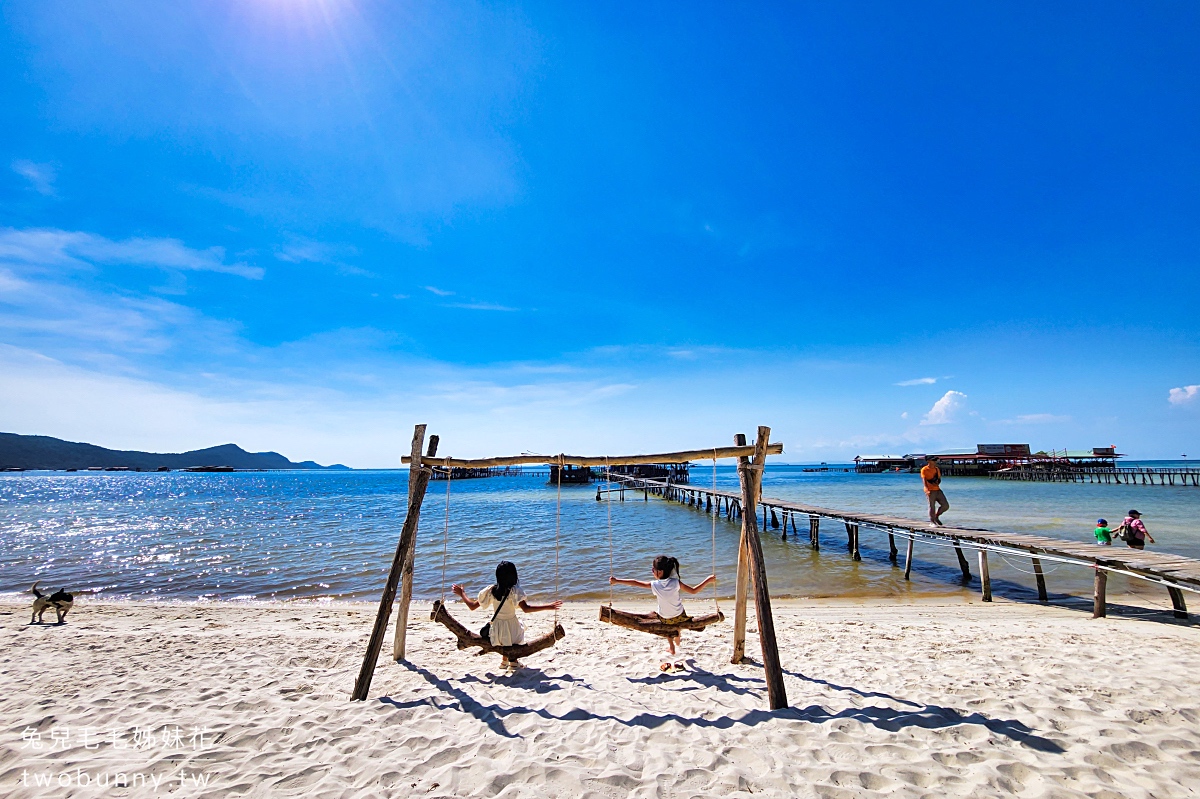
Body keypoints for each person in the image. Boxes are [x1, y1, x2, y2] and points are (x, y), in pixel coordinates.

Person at [610, 555, 715, 668]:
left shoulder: (655, 585)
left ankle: (671, 647)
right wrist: (708, 580)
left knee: (665, 622)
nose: (652, 571)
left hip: (664, 618)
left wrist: (617, 581)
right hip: (679, 615)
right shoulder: (676, 582)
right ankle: (678, 636)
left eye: (653, 569)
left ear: (659, 572)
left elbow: (634, 582)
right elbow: (694, 591)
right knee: (677, 619)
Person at [452, 561, 562, 669]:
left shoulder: (491, 591)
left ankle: (504, 661)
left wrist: (462, 594)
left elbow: (472, 606)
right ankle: (513, 662)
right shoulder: (514, 592)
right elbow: (526, 609)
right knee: (518, 629)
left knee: (506, 635)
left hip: (496, 630)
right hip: (511, 628)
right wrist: (549, 606)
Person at [921, 455, 950, 526]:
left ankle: (936, 516)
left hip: (937, 489)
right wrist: (927, 490)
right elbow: (924, 480)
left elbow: (939, 479)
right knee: (932, 506)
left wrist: (937, 481)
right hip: (930, 490)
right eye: (933, 460)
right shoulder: (924, 469)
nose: (935, 462)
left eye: (935, 460)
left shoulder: (937, 469)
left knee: (945, 505)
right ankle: (932, 521)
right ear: (928, 461)